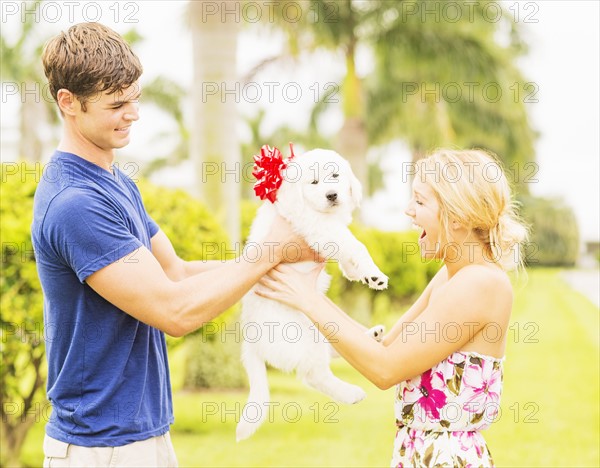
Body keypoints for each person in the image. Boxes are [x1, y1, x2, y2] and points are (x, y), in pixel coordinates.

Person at [32, 22, 314, 467]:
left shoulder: (114, 181)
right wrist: (269, 253)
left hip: (141, 435)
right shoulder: (75, 203)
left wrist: (282, 256)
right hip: (101, 447)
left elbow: (176, 272)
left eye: (136, 97)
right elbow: (173, 311)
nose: (134, 113)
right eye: (117, 104)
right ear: (68, 102)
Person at [256, 148, 528, 467]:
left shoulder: (480, 283)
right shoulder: (453, 275)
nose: (408, 211)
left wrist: (309, 300)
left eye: (420, 201)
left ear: (458, 218)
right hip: (419, 453)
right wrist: (304, 295)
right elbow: (385, 346)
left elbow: (385, 369)